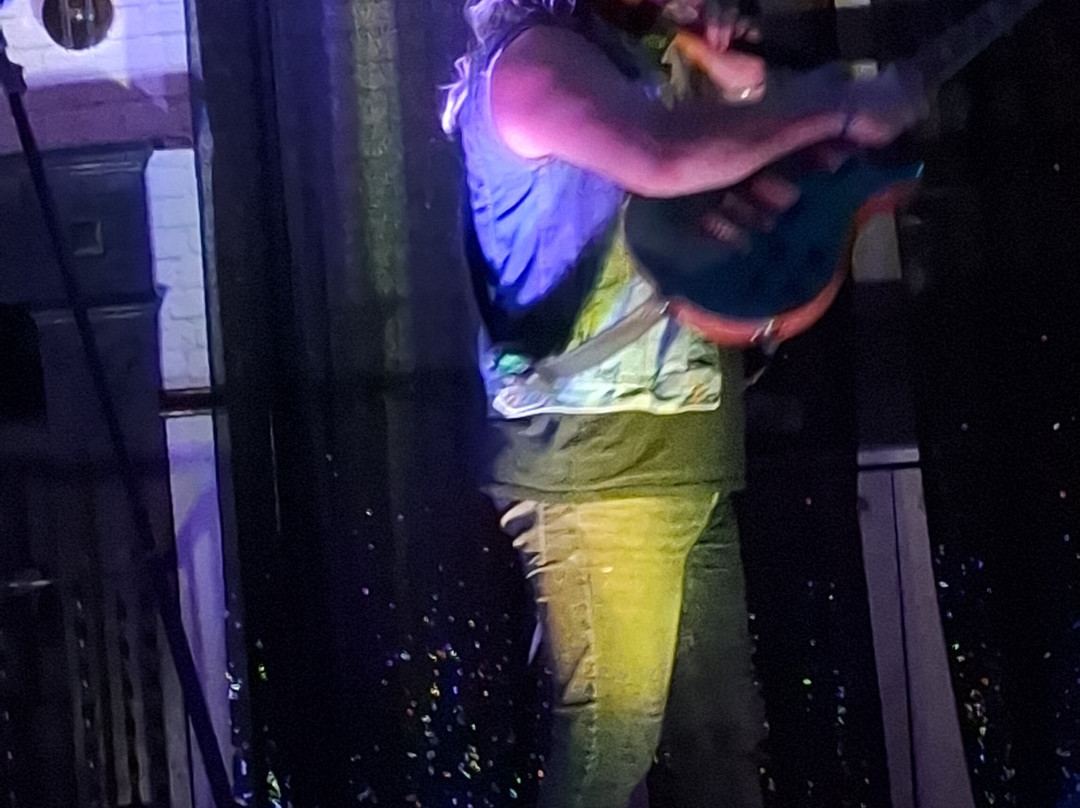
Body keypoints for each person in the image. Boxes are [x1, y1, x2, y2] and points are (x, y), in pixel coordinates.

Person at [442, 1, 922, 806]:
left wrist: (730, 70)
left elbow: (734, 152)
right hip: (600, 472)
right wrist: (836, 106)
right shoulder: (531, 63)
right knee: (609, 747)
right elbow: (662, 157)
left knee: (722, 743)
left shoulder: (636, 58)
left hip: (681, 454)